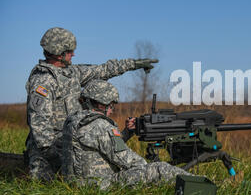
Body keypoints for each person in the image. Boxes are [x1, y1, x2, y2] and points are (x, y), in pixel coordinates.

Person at [25, 27, 157, 181]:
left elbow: (103, 70)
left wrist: (134, 64)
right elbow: (40, 129)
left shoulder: (72, 73)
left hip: (74, 143)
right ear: (59, 53)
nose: (73, 54)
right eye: (69, 51)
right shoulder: (43, 81)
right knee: (52, 187)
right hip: (52, 155)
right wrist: (62, 158)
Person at [61, 80, 193, 190]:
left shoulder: (72, 121)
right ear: (102, 104)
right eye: (111, 106)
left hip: (75, 185)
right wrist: (149, 167)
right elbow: (129, 161)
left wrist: (126, 133)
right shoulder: (100, 126)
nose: (112, 110)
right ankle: (200, 185)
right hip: (98, 186)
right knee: (160, 169)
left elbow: (102, 146)